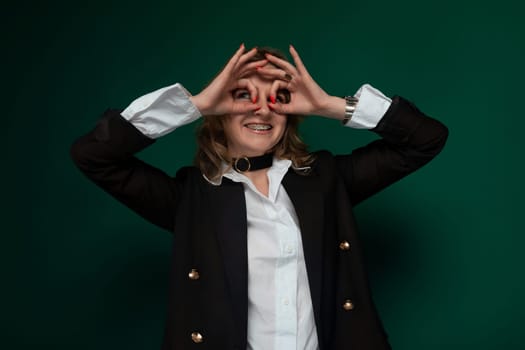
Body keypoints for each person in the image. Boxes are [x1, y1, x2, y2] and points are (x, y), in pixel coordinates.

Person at [71, 44, 448, 349]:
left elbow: (426, 139)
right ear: (220, 111)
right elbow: (93, 155)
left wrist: (329, 105)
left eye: (278, 96)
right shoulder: (191, 197)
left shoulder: (326, 179)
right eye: (242, 95)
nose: (262, 108)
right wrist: (196, 105)